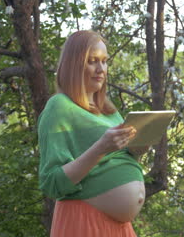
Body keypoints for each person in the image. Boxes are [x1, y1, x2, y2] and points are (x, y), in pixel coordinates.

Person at [38, 30, 149, 236]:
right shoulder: (59, 106)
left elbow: (114, 161)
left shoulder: (109, 110)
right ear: (74, 65)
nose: (101, 69)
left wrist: (136, 150)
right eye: (92, 61)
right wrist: (100, 147)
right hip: (85, 221)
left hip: (120, 227)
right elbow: (51, 183)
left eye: (105, 61)